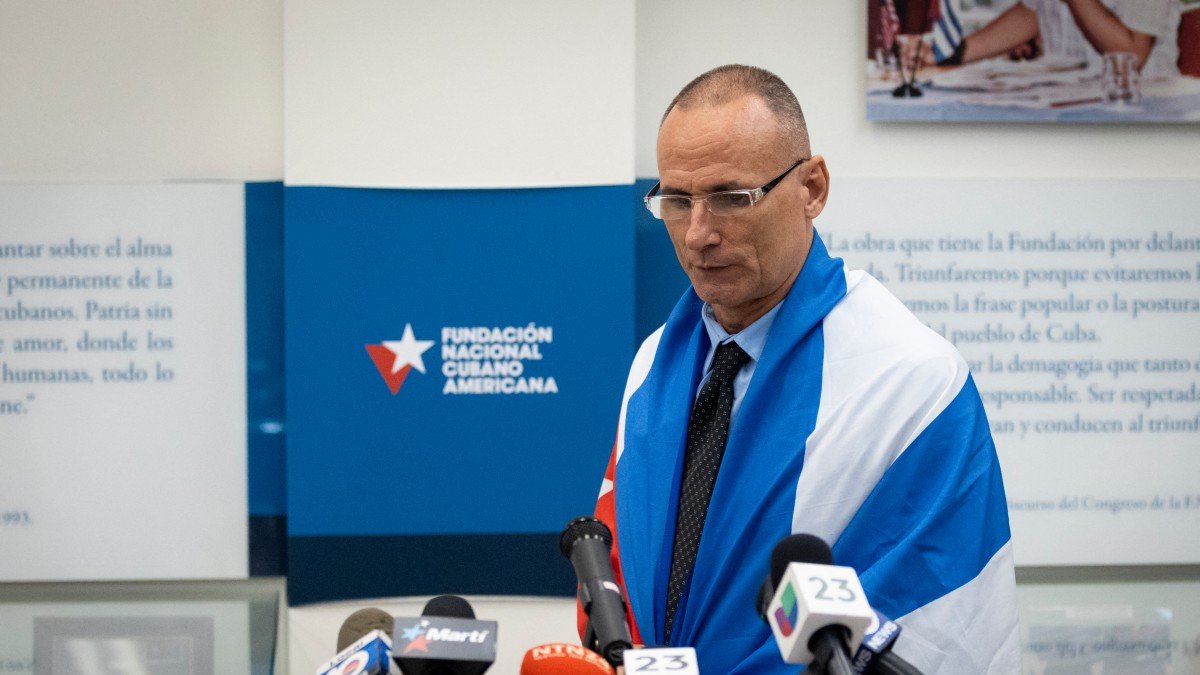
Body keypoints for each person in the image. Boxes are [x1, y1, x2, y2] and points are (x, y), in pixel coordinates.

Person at [586, 65, 1019, 674]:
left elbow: (935, 626)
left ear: (812, 187)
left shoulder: (912, 382)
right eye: (677, 202)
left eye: (732, 197)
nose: (699, 234)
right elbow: (624, 583)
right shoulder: (653, 363)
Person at [941, 0, 1181, 78]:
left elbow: (1131, 55)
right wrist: (948, 54)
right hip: (1066, 110)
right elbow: (1033, 13)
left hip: (1140, 120)